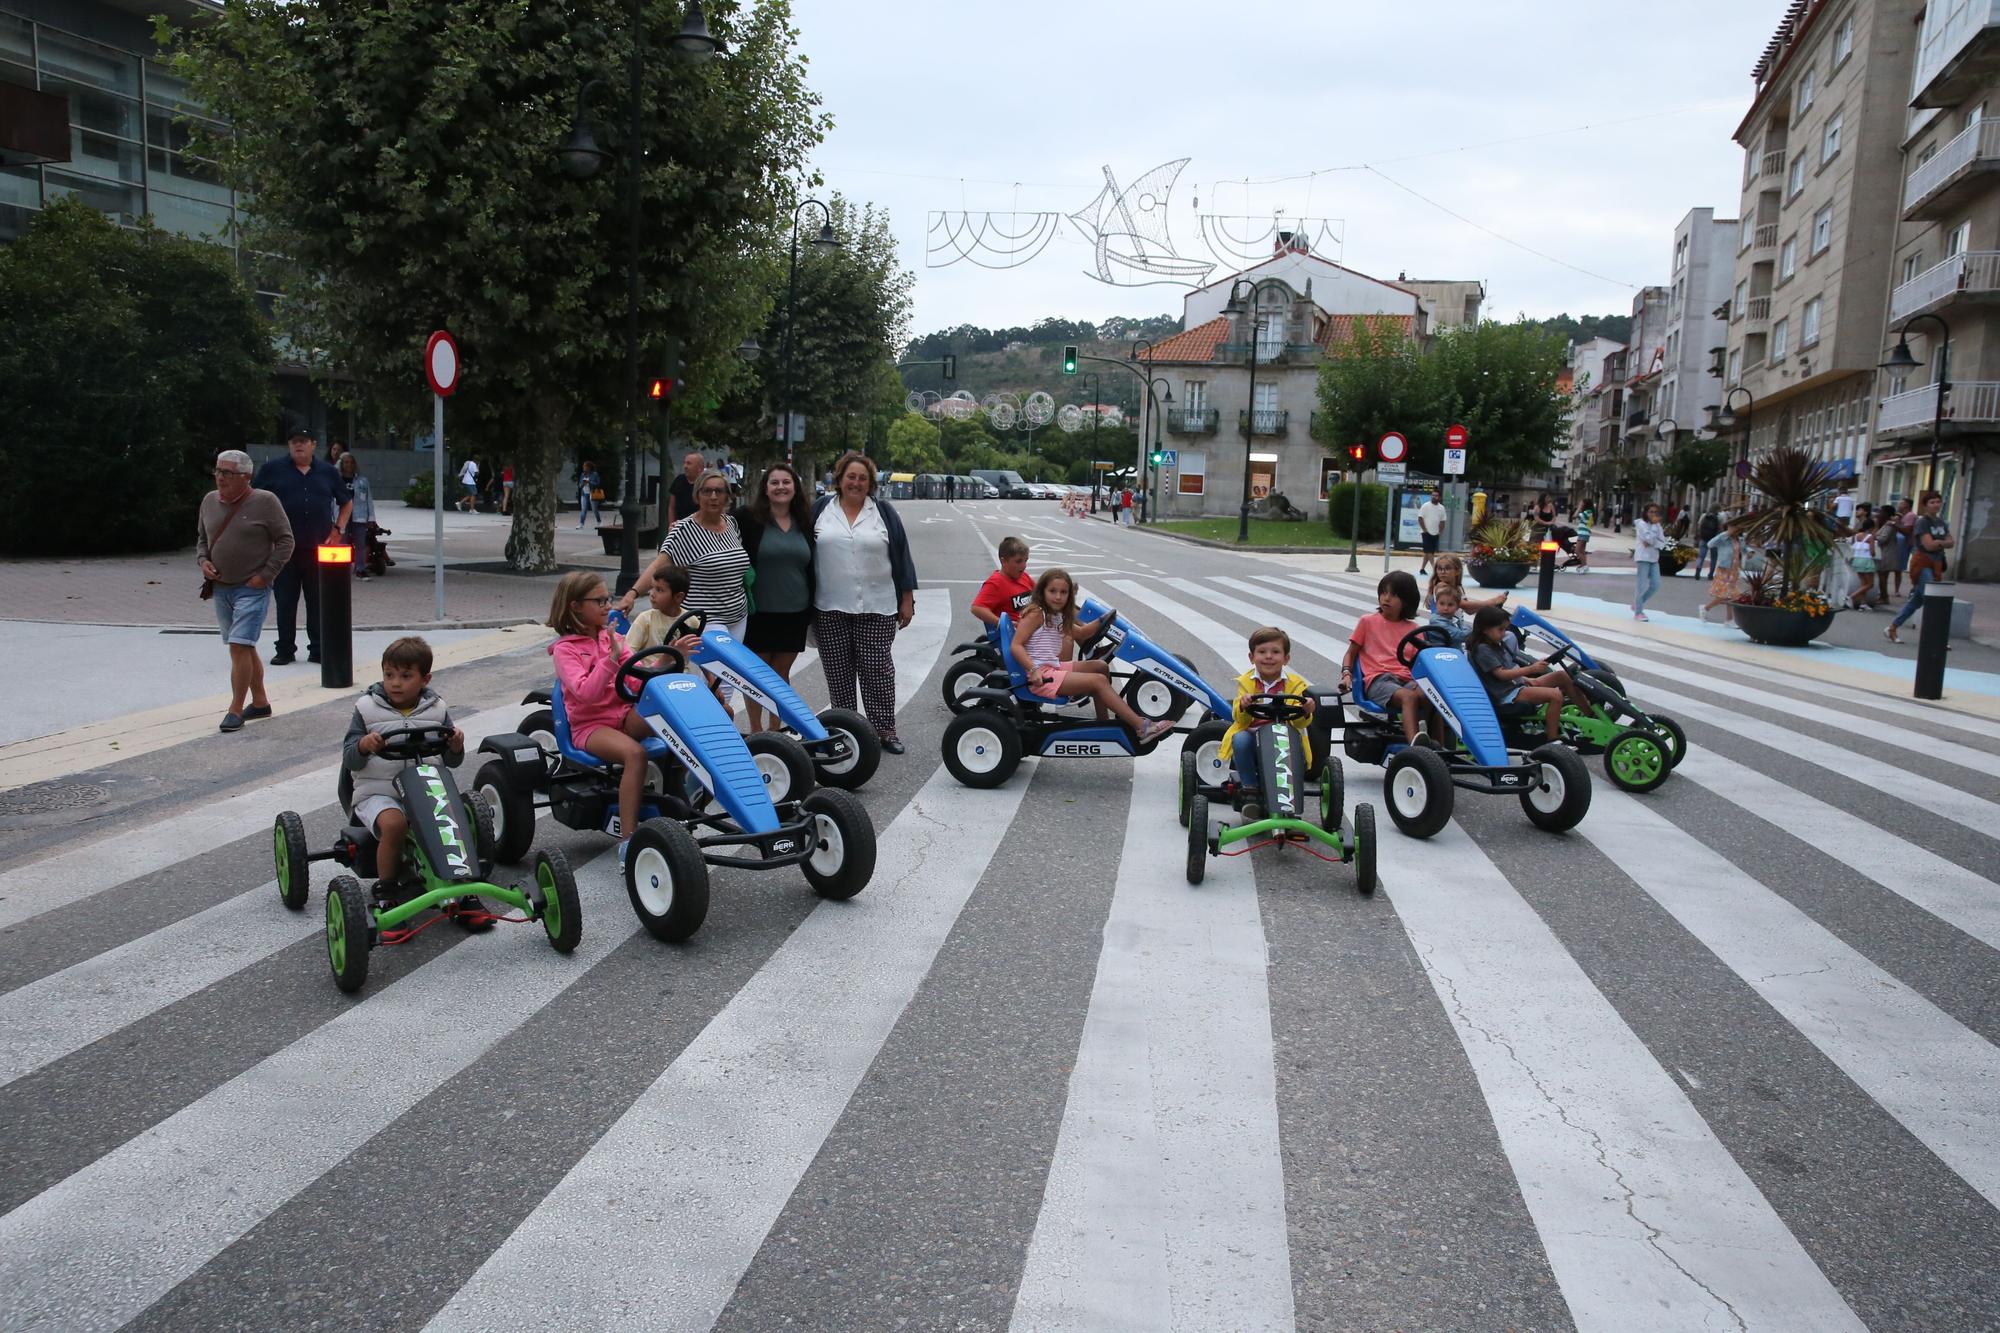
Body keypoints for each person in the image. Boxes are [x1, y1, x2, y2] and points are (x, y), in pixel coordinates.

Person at [342, 636, 481, 915]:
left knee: (451, 821)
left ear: (425, 679)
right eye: (389, 674)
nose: (395, 683)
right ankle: (386, 889)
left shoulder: (437, 709)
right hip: (378, 793)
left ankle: (462, 886)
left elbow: (452, 760)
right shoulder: (367, 709)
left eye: (406, 676)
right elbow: (349, 758)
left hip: (425, 789)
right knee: (394, 825)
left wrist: (456, 745)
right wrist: (364, 745)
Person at [811, 451, 919, 755]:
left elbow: (902, 555)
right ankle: (846, 732)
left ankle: (884, 731)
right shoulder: (821, 509)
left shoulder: (883, 512)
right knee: (839, 674)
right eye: (850, 477)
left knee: (878, 672)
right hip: (829, 606)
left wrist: (907, 599)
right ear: (839, 479)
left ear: (870, 482)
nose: (856, 483)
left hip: (878, 604)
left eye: (862, 478)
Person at [1010, 568, 1167, 739]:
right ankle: (1141, 727)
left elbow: (1081, 633)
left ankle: (1103, 723)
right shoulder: (1036, 614)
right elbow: (1016, 646)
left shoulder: (1056, 615)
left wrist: (1103, 620)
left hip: (1052, 667)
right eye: (1052, 591)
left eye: (1063, 592)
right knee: (1098, 681)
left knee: (1100, 667)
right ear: (1042, 591)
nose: (1058, 597)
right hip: (1041, 675)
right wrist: (1033, 670)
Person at [198, 450, 293, 732]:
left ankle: (235, 710)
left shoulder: (265, 502)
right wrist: (203, 561)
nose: (220, 477)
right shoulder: (209, 501)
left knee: (240, 645)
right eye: (217, 471)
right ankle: (260, 702)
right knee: (243, 647)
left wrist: (265, 576)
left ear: (246, 477)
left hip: (252, 589)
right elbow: (202, 538)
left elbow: (286, 541)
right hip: (222, 588)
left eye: (227, 473)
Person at [254, 429, 351, 666]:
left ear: (313, 445)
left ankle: (318, 648)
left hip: (318, 548)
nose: (299, 446)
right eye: (294, 442)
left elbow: (346, 501)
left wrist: (338, 529)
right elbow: (254, 499)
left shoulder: (328, 472)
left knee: (317, 601)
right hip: (284, 548)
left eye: (303, 442)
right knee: (285, 600)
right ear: (289, 445)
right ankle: (285, 649)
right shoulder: (273, 470)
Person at [736, 462, 817, 732]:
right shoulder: (747, 519)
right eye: (774, 482)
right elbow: (716, 528)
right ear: (765, 489)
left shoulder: (806, 521)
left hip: (795, 611)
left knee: (781, 674)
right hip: (758, 611)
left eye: (786, 482)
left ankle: (775, 730)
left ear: (795, 488)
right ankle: (756, 731)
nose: (781, 487)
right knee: (757, 674)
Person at [1218, 626, 1315, 822]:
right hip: (1253, 739)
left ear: (1286, 658)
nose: (1268, 657)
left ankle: (1288, 804)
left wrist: (1305, 709)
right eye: (1262, 652)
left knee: (1288, 742)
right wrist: (1244, 706)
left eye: (1275, 652)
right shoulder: (1246, 683)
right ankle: (1250, 791)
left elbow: (1298, 721)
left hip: (1284, 737)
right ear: (1252, 657)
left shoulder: (1295, 685)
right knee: (1241, 738)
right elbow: (1240, 719)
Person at [1341, 570, 1435, 749]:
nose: (1386, 598)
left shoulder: (1414, 629)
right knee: (1409, 697)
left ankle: (1437, 746)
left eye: (1393, 595)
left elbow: (1419, 662)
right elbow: (1351, 653)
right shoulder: (1368, 621)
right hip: (1378, 679)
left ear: (1406, 600)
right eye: (1383, 593)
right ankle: (1416, 748)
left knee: (1431, 695)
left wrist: (1419, 681)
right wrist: (1346, 673)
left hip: (1405, 679)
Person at [1468, 606, 1582, 743]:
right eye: (1500, 629)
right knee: (1555, 695)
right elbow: (1501, 674)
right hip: (1506, 694)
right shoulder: (1483, 649)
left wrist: (1527, 676)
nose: (1504, 634)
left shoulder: (1495, 644)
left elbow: (1508, 669)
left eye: (1505, 629)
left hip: (1515, 685)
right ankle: (1552, 739)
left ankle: (1591, 715)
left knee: (1562, 676)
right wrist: (1530, 669)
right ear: (1485, 629)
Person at [1885, 490, 1955, 644]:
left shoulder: (1941, 522)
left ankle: (1892, 627)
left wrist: (1939, 543)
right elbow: (1928, 545)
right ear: (1925, 506)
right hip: (1922, 563)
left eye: (1938, 501)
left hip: (1936, 564)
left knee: (1917, 600)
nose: (1936, 505)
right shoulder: (1922, 522)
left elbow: (1951, 542)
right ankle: (1938, 638)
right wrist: (1942, 543)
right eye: (1932, 502)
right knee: (1932, 599)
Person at [971, 536, 1034, 630]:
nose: (1024, 565)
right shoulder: (996, 583)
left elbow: (1042, 593)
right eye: (1018, 561)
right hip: (1014, 636)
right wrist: (1002, 623)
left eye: (1026, 560)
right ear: (1003, 561)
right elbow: (976, 608)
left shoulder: (1024, 576)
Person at [1700, 524, 1750, 623]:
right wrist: (1726, 533)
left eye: (1737, 528)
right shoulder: (1723, 538)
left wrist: (1750, 552)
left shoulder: (1740, 539)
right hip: (1724, 569)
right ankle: (1705, 608)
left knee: (1732, 596)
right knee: (1723, 594)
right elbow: (1710, 544)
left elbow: (1744, 548)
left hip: (1734, 570)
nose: (1735, 529)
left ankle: (1729, 619)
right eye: (1732, 527)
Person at [1426, 553, 1506, 615]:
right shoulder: (1441, 587)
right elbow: (1464, 605)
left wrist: (1490, 607)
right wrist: (1493, 601)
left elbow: (1469, 611)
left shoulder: (1458, 588)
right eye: (1440, 569)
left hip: (1456, 625)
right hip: (1444, 627)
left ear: (1457, 571)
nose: (1443, 572)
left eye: (1447, 568)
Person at [339, 453, 375, 581]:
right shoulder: (337, 480)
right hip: (341, 516)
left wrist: (371, 518)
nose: (349, 465)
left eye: (351, 462)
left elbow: (368, 500)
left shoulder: (362, 481)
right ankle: (342, 569)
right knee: (342, 543)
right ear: (342, 465)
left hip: (359, 516)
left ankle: (360, 568)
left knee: (360, 543)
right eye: (346, 462)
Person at [1631, 502, 1666, 620]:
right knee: (1641, 585)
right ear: (1646, 513)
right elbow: (1647, 538)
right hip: (1643, 557)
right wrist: (1653, 541)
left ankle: (1637, 604)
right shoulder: (1641, 524)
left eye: (1656, 512)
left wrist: (1653, 542)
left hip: (1654, 557)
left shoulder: (1657, 525)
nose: (1653, 514)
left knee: (1656, 584)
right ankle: (1638, 612)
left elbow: (1662, 542)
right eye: (1651, 512)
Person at [666, 450, 703, 529]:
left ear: (699, 468)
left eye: (689, 463)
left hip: (699, 528)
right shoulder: (679, 480)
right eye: (685, 463)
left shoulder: (706, 485)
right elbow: (672, 506)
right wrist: (671, 525)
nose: (685, 466)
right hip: (679, 527)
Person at [1427, 581, 1472, 645]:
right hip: (1441, 652)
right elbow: (1459, 636)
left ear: (1457, 607)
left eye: (1450, 605)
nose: (1445, 608)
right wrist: (1475, 632)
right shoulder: (1436, 620)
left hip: (1455, 652)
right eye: (1442, 604)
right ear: (1436, 604)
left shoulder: (1455, 619)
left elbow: (1465, 628)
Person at [1848, 519, 1878, 611]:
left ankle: (1863, 604)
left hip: (1857, 560)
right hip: (1866, 561)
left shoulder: (1857, 536)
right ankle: (1851, 597)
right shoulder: (1870, 537)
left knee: (1863, 584)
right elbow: (1872, 552)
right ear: (1872, 527)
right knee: (1870, 584)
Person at [1417, 490, 1447, 575]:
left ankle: (1422, 569)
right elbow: (1420, 518)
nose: (1434, 497)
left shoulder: (1441, 508)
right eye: (1433, 495)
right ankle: (1435, 569)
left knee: (1429, 552)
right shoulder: (1425, 506)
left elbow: (1443, 521)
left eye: (1436, 495)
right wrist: (1424, 530)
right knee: (1429, 551)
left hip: (1435, 532)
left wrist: (1440, 531)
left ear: (1439, 497)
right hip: (1426, 532)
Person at [1692, 507, 1722, 579]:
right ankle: (1711, 574)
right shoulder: (1719, 517)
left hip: (1704, 538)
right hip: (1714, 540)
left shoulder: (1704, 516)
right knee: (1714, 557)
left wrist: (1699, 535)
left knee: (1701, 556)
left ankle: (1698, 570)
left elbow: (1699, 526)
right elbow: (1721, 529)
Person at [576, 459, 602, 528]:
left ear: (589, 467)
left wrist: (589, 482)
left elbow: (598, 484)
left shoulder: (594, 474)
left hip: (592, 493)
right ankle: (581, 524)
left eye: (585, 466)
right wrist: (582, 484)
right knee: (583, 509)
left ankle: (599, 521)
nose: (583, 467)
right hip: (584, 494)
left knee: (594, 509)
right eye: (583, 466)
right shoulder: (582, 474)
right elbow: (579, 484)